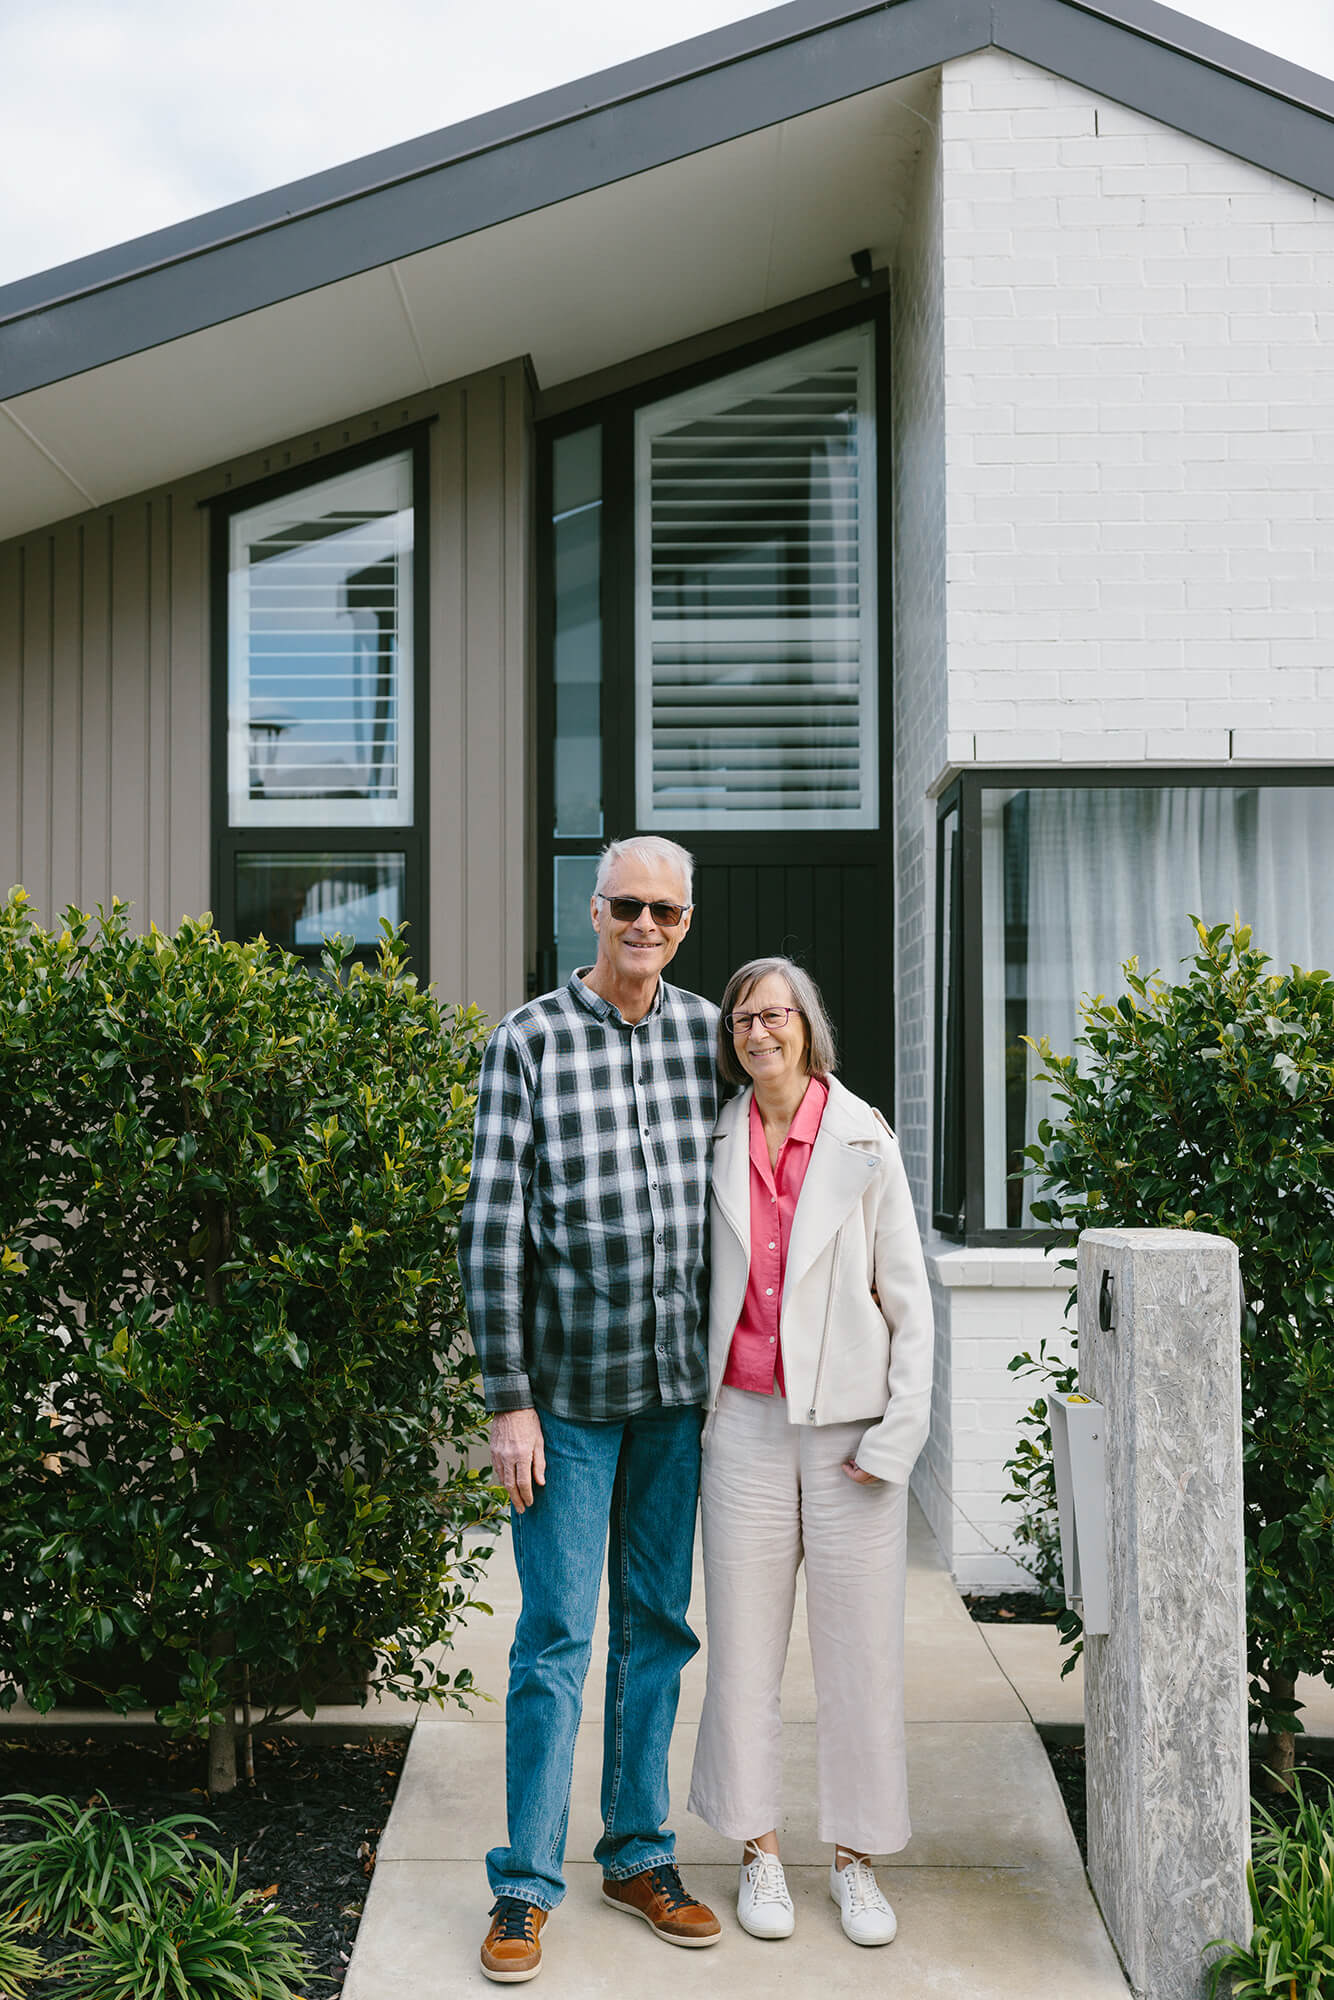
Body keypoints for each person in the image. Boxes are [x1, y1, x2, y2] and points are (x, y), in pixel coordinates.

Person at [459, 835, 724, 1984]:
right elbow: (489, 1235)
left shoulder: (710, 1033)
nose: (645, 924)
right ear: (593, 906)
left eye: (665, 909)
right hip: (562, 1403)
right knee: (557, 1638)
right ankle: (523, 1882)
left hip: (675, 1400)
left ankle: (636, 1851)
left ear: (684, 919)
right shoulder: (524, 1040)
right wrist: (505, 1401)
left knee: (656, 1630)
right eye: (627, 903)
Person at [686, 955, 934, 1948]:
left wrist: (897, 1434)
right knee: (743, 1651)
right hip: (740, 1425)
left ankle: (856, 1860)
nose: (757, 1030)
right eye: (742, 1017)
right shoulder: (710, 1139)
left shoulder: (863, 1136)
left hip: (849, 1433)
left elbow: (908, 1302)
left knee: (858, 1654)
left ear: (805, 1024)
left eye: (773, 1014)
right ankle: (758, 1850)